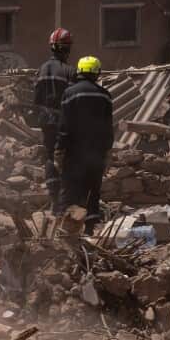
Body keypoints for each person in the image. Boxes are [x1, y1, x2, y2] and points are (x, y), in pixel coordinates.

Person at [54, 56, 114, 234]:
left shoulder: (70, 93)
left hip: (74, 153)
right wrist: (107, 152)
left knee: (69, 191)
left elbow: (64, 125)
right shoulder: (105, 95)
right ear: (97, 73)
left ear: (79, 71)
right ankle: (88, 230)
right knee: (92, 192)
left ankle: (64, 231)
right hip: (96, 153)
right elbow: (108, 127)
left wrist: (59, 149)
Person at [33, 29, 75, 213]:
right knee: (66, 158)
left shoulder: (42, 69)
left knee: (50, 157)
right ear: (67, 49)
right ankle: (65, 202)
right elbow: (73, 101)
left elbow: (36, 100)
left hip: (46, 120)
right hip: (63, 121)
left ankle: (53, 199)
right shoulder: (69, 71)